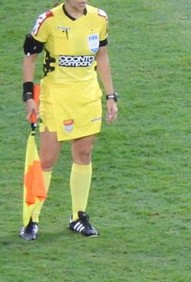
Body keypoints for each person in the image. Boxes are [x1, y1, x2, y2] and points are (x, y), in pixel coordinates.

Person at [21, 0, 118, 240]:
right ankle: (31, 219)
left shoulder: (99, 18)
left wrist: (110, 95)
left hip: (87, 97)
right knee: (47, 159)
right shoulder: (49, 21)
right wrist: (28, 96)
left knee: (84, 154)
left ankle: (78, 216)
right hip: (56, 97)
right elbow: (29, 57)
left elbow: (102, 57)